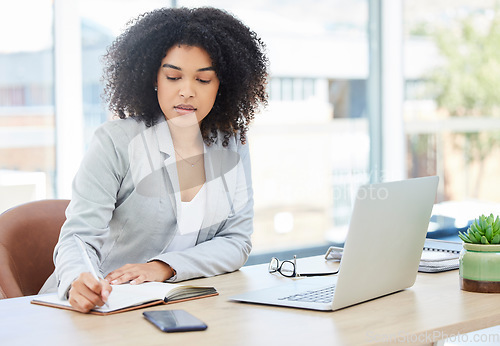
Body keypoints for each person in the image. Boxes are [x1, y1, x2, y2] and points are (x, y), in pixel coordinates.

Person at [40, 6, 268, 313]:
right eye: (174, 76)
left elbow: (236, 241)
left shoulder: (232, 143)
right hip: (98, 306)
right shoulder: (115, 141)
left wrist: (164, 267)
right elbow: (78, 237)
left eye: (203, 80)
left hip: (174, 305)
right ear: (154, 77)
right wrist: (78, 280)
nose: (187, 92)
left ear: (221, 86)